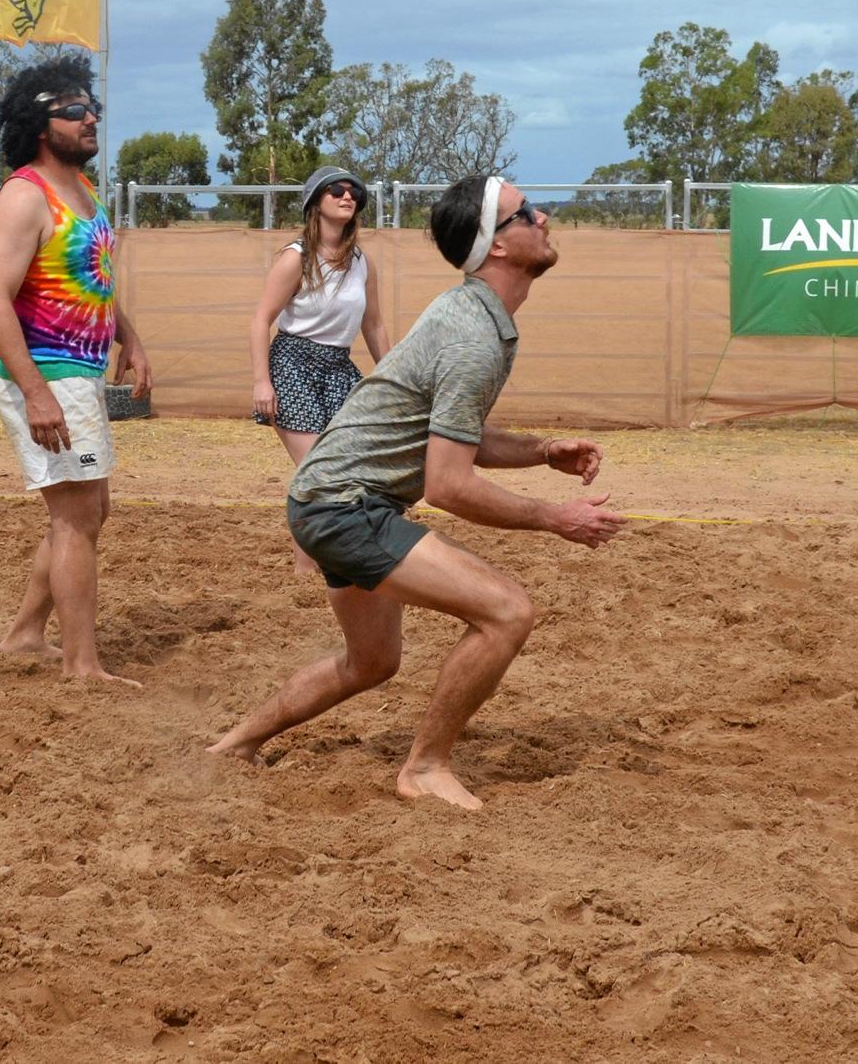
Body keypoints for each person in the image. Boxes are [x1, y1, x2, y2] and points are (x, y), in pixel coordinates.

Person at [208, 175, 623, 809]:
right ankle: (424, 768)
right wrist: (554, 518)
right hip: (345, 507)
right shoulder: (471, 336)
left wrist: (540, 452)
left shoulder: (474, 316)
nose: (545, 217)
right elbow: (449, 484)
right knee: (507, 611)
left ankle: (235, 744)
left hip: (327, 499)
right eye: (526, 213)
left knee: (371, 662)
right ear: (499, 246)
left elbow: (453, 437)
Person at [0, 56, 152, 683]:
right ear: (40, 124)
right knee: (75, 516)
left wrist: (129, 337)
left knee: (88, 509)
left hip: (79, 371)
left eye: (92, 107)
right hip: (47, 374)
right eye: (74, 110)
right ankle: (82, 665)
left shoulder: (85, 192)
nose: (90, 117)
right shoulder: (26, 195)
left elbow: (91, 279)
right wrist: (36, 394)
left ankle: (26, 633)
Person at [250, 164, 391, 465]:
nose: (347, 196)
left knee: (360, 462)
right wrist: (262, 382)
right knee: (320, 469)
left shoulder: (362, 263)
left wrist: (393, 377)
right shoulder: (296, 258)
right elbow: (261, 320)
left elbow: (374, 325)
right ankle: (314, 510)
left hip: (339, 368)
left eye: (354, 192)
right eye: (337, 190)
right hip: (292, 366)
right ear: (315, 201)